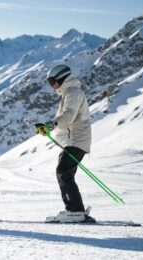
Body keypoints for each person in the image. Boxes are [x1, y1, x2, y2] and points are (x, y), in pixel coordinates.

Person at [35, 64, 95, 223]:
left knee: (63, 172)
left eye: (52, 81)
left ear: (61, 78)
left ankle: (75, 211)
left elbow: (68, 116)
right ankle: (76, 210)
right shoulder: (70, 92)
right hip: (74, 140)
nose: (51, 85)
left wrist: (50, 125)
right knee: (65, 173)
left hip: (76, 140)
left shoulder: (73, 92)